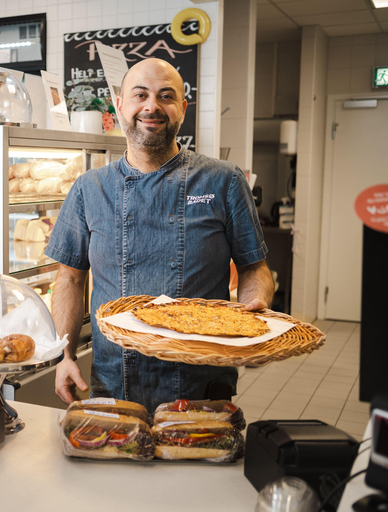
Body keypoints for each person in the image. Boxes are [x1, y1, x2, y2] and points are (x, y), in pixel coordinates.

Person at [45, 58, 274, 413]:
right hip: (113, 379)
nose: (152, 106)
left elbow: (254, 268)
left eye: (166, 96)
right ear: (120, 105)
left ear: (182, 109)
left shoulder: (224, 181)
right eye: (140, 95)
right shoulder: (89, 188)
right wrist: (64, 355)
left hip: (202, 386)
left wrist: (255, 310)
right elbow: (70, 279)